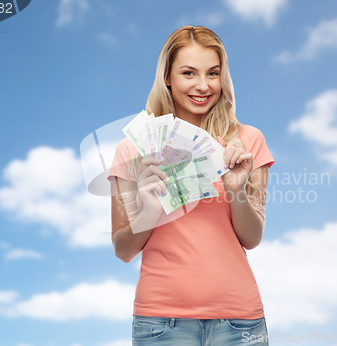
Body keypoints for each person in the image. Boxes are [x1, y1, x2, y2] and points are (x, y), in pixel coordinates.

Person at [108, 25, 274, 345]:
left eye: (213, 73)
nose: (202, 85)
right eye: (188, 73)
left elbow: (252, 238)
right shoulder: (133, 149)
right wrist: (150, 211)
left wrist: (237, 191)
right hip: (160, 323)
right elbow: (123, 250)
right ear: (167, 77)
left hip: (240, 321)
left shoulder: (248, 142)